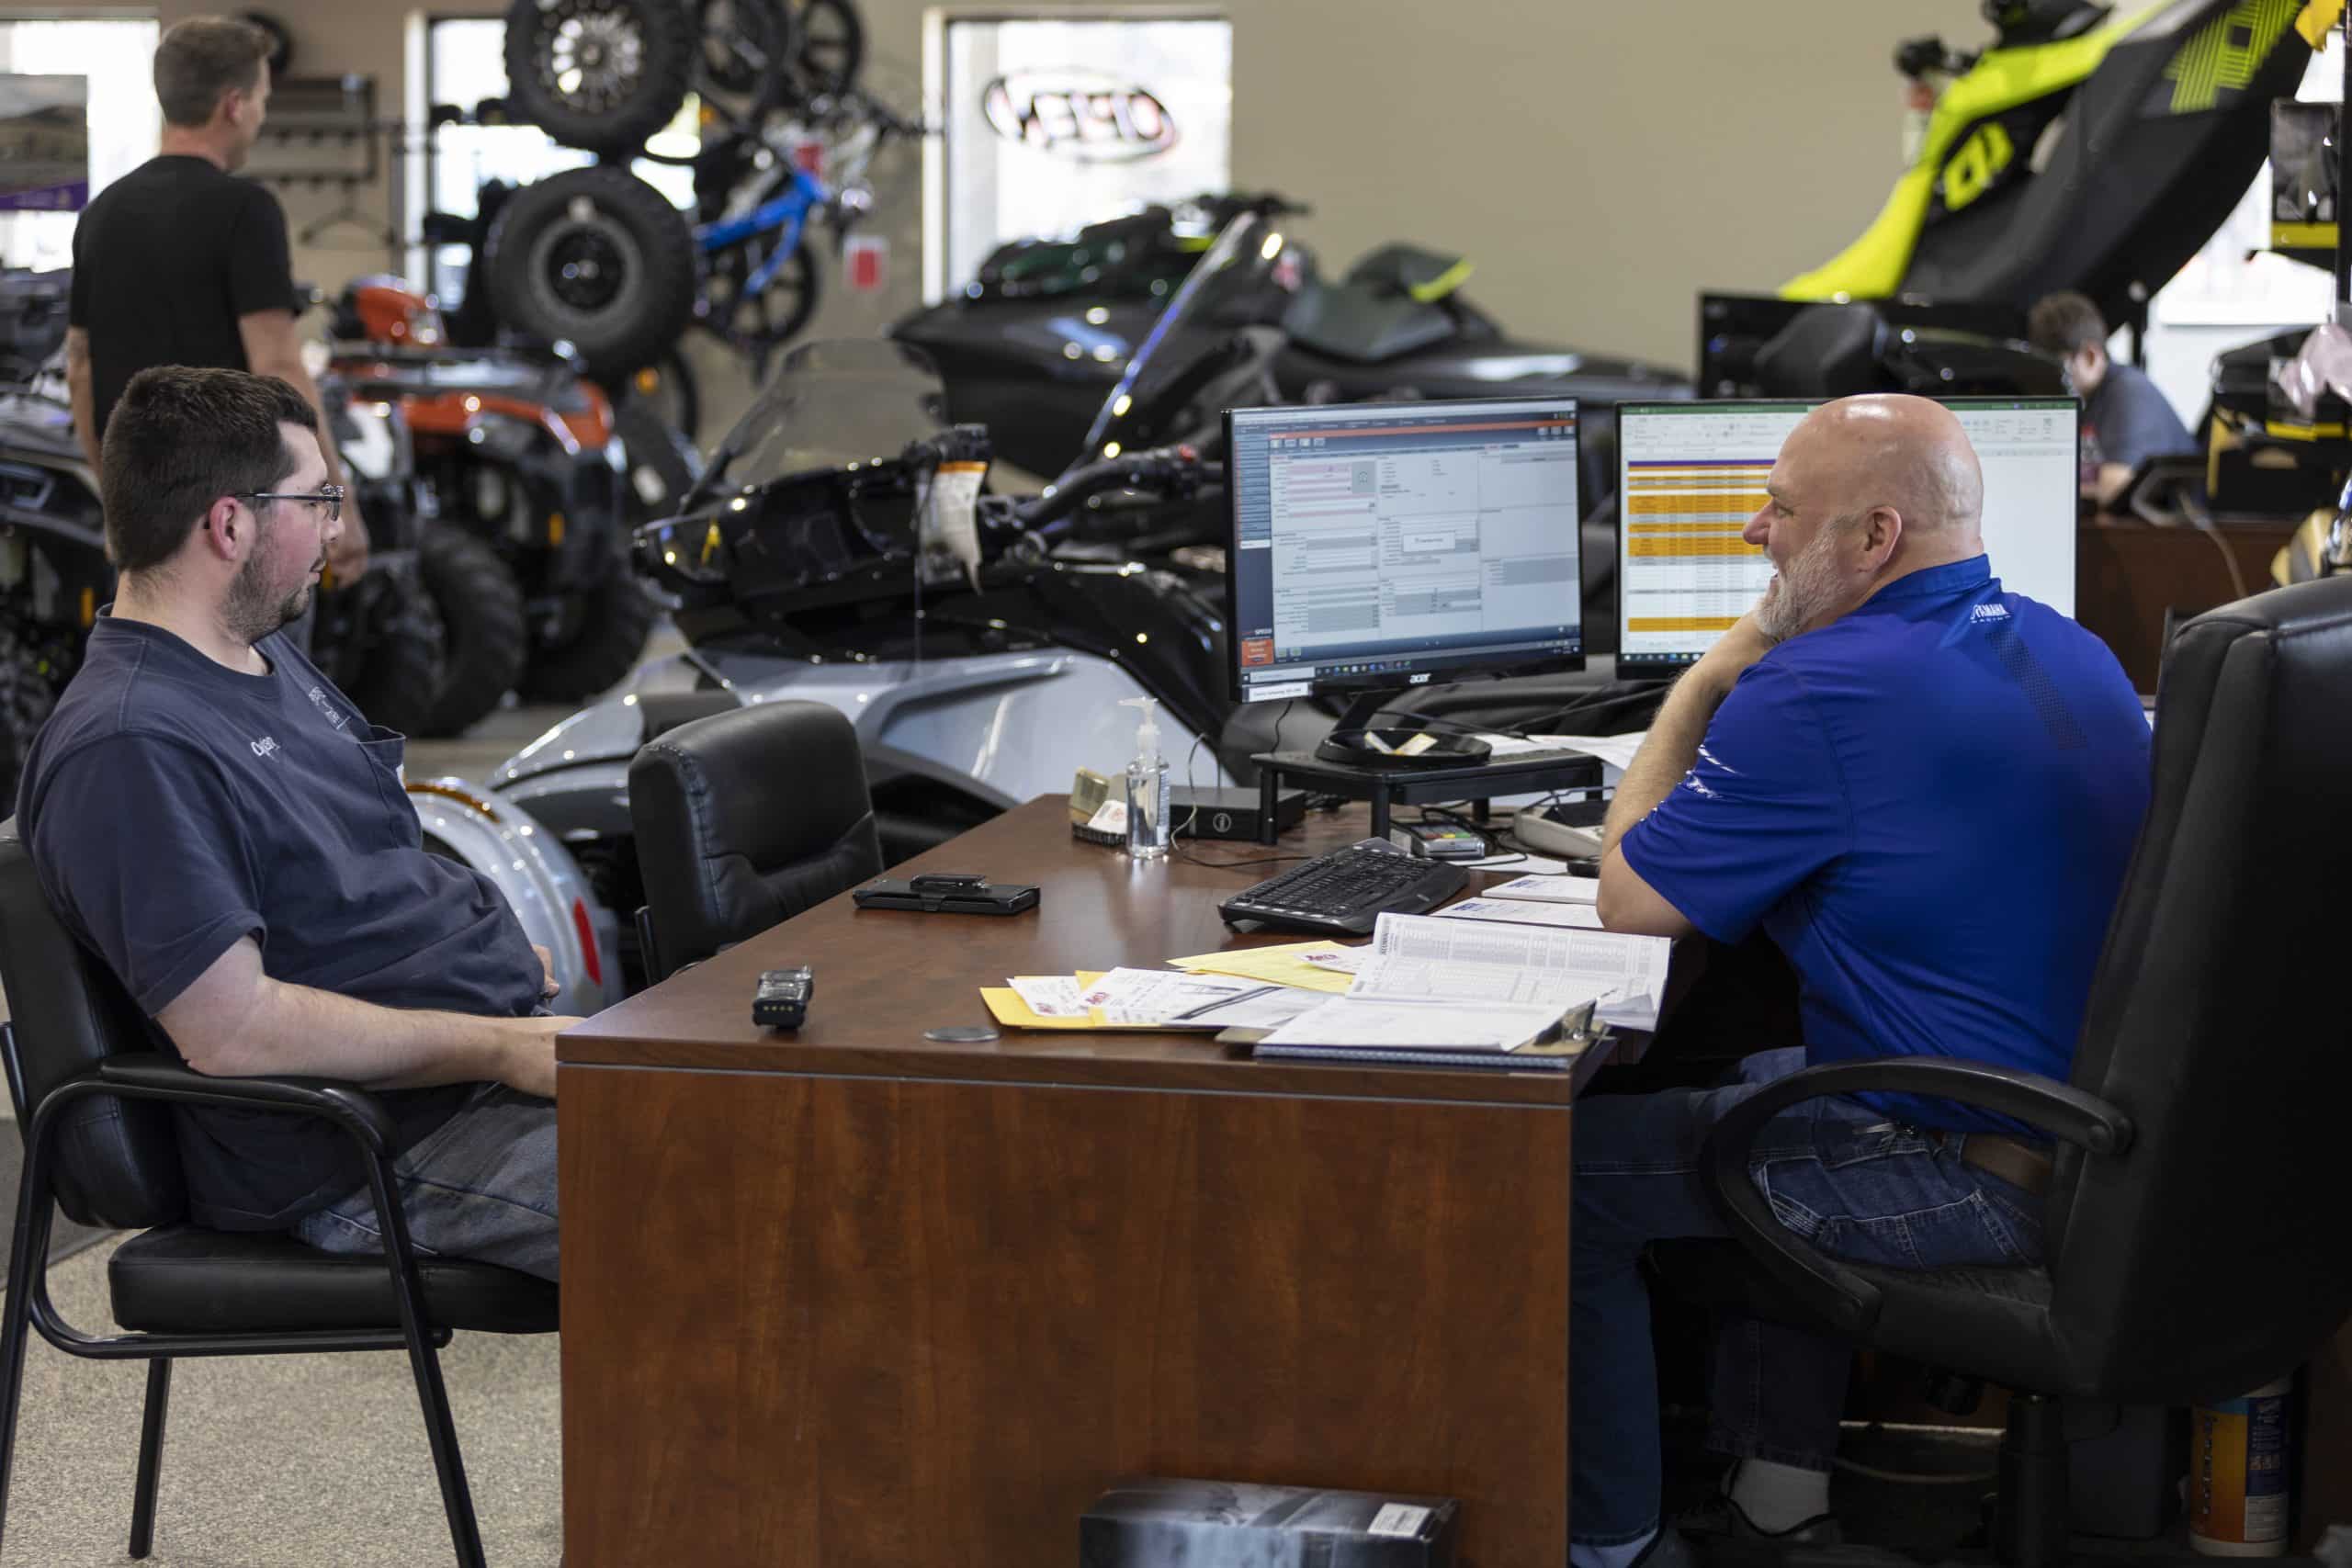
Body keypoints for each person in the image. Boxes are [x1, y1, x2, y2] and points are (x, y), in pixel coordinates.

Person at [1572, 395, 2152, 1568]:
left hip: (1961, 1168)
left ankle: (1610, 1545)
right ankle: (1778, 1493)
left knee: (1550, 1174)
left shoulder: (1817, 690)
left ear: (1874, 536)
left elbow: (1629, 896)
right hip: (2097, 1150)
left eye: (1781, 511)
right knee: (1747, 1076)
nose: (1753, 536)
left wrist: (1704, 681)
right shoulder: (2067, 648)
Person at [14, 367, 571, 1280]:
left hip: (464, 1081)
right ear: (229, 524)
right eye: (318, 501)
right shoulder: (129, 744)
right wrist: (498, 1044)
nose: (337, 530)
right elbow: (233, 1032)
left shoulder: (260, 657)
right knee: (758, 1206)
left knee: (813, 1123)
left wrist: (484, 969)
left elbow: (357, 867)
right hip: (370, 1149)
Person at [62, 14, 366, 581]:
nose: (260, 116)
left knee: (152, 666)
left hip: (144, 522)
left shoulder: (101, 214)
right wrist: (336, 499)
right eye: (260, 100)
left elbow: (80, 365)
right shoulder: (245, 211)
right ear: (233, 104)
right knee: (257, 671)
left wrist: (114, 493)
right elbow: (277, 364)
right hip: (240, 523)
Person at [2027, 289, 2196, 509]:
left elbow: (2113, 489)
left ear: (2090, 356)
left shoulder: (2129, 393)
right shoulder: (2089, 398)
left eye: (2059, 367)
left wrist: (2039, 489)